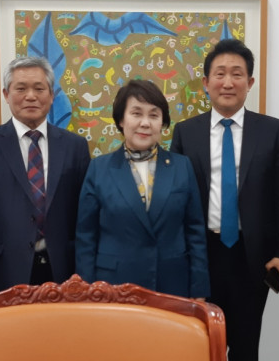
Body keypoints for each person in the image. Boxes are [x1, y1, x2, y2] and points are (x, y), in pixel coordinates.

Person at [171, 39, 279, 361]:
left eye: (237, 74)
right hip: (199, 254)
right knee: (198, 348)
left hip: (250, 257)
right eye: (220, 74)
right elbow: (175, 199)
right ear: (206, 82)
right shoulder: (186, 132)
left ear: (251, 82)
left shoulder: (272, 131)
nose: (228, 81)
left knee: (244, 349)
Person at [76, 80, 209, 299]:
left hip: (171, 285)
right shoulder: (99, 168)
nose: (145, 123)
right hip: (113, 286)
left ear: (162, 123)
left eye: (154, 115)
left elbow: (195, 232)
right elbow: (86, 236)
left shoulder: (182, 166)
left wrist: (199, 289)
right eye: (136, 113)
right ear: (121, 120)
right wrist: (87, 291)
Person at [0, 56, 90, 292]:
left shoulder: (75, 146)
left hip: (63, 270)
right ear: (6, 94)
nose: (31, 96)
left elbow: (84, 215)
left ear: (51, 95)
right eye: (21, 88)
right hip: (2, 270)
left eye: (39, 89)